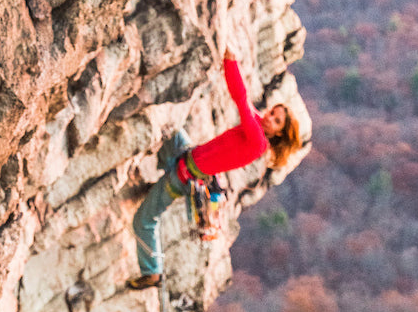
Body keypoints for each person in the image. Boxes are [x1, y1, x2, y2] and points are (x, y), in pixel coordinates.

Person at [128, 48, 301, 289]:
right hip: (187, 156)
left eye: (276, 120)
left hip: (182, 177)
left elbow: (241, 100)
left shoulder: (258, 141)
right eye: (273, 112)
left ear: (279, 133)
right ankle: (154, 179)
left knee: (144, 220)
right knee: (172, 129)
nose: (269, 116)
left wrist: (231, 62)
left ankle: (152, 272)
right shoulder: (258, 128)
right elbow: (250, 106)